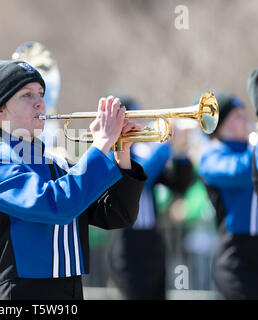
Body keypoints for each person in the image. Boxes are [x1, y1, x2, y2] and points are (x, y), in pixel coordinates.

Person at [0, 60, 147, 300]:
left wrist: (121, 150)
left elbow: (117, 214)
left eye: (41, 93)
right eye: (26, 94)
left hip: (71, 291)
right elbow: (57, 205)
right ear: (0, 110)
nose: (40, 102)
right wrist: (101, 144)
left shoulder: (57, 163)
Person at [106, 94, 194, 299]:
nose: (139, 123)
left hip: (152, 241)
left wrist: (181, 152)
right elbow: (140, 177)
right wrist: (167, 145)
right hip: (127, 243)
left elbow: (178, 184)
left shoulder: (146, 151)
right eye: (133, 117)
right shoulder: (113, 152)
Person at [198, 92, 258, 299]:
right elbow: (240, 172)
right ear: (222, 124)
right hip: (235, 257)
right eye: (238, 116)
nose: (247, 120)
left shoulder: (251, 150)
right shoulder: (210, 155)